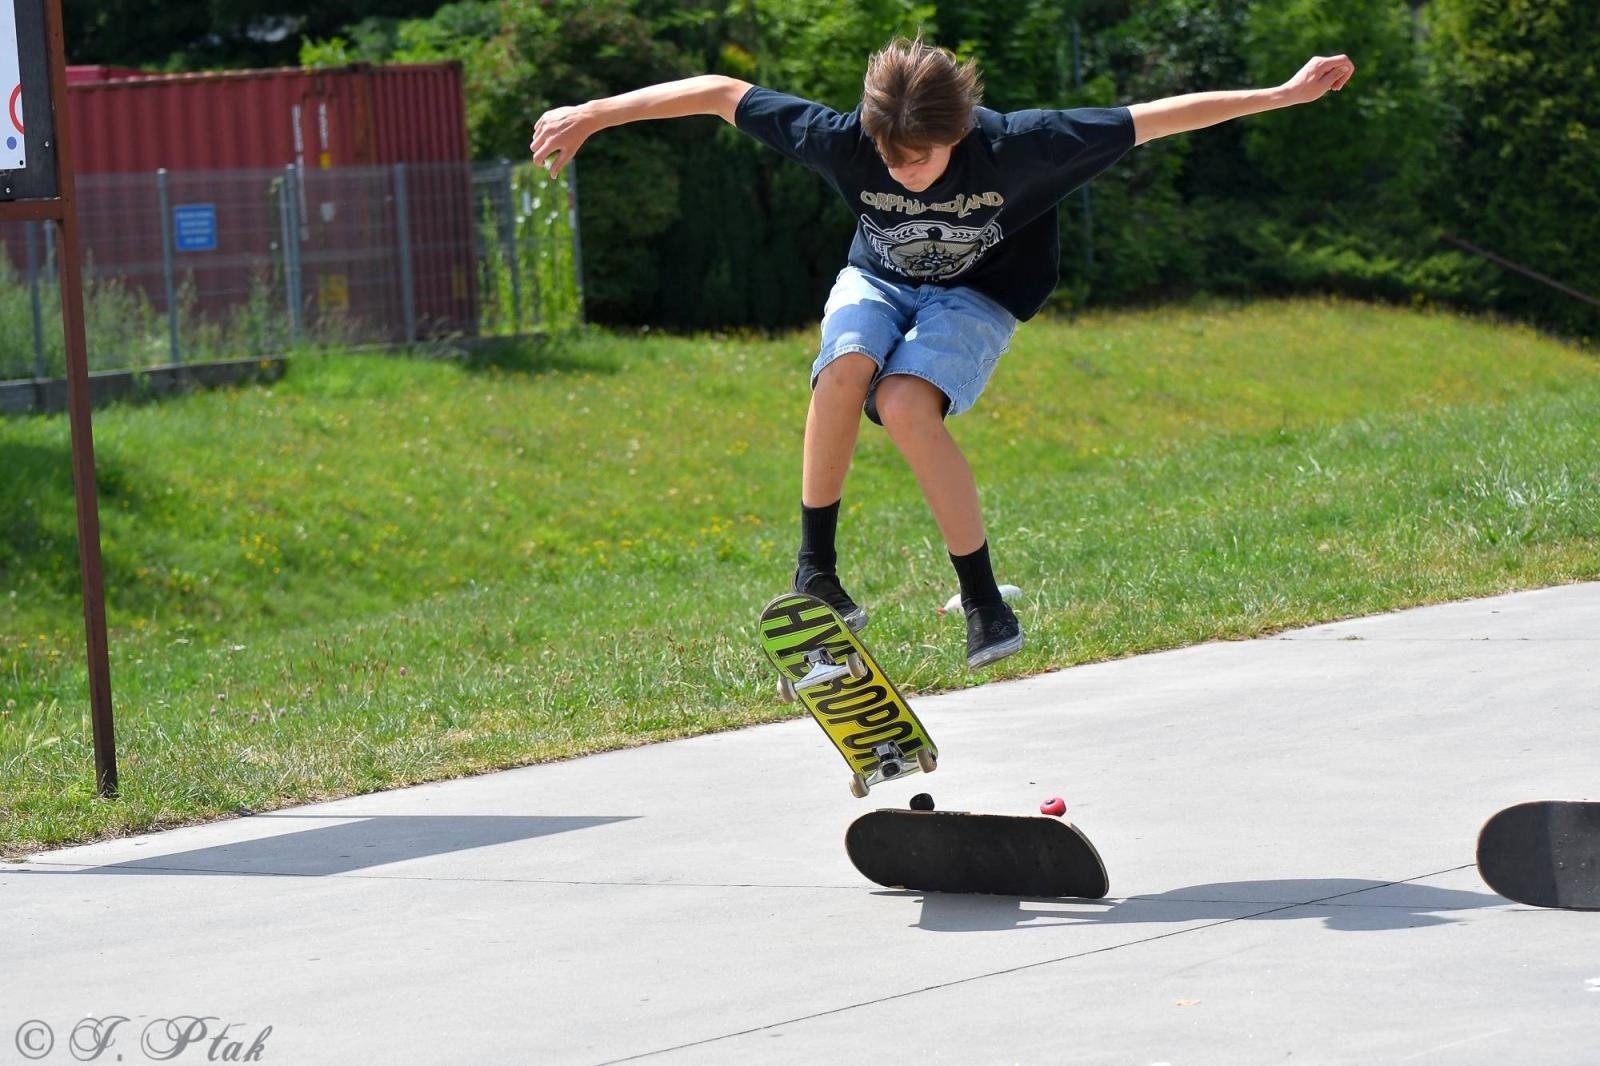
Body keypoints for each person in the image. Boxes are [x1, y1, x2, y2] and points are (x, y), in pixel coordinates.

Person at [530, 36, 1354, 670]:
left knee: (904, 402)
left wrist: (1286, 94)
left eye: (918, 160)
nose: (902, 172)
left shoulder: (1027, 146)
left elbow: (1161, 116)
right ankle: (816, 571)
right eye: (890, 158)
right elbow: (718, 93)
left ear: (958, 134)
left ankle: (984, 600)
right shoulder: (848, 140)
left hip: (980, 295)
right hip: (878, 276)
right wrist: (595, 113)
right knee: (845, 369)